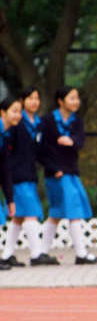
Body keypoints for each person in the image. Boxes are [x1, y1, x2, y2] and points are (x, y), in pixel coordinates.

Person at [37, 86, 97, 265]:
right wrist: (52, 168)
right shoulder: (47, 121)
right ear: (61, 101)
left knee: (56, 214)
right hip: (56, 174)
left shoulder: (77, 121)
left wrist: (72, 141)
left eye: (77, 98)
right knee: (72, 212)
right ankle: (81, 254)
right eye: (72, 98)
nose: (76, 102)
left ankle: (41, 253)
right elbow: (40, 150)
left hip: (71, 171)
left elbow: (80, 141)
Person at [2, 87, 58, 267]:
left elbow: (39, 152)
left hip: (29, 174)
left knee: (18, 216)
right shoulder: (15, 125)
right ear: (22, 101)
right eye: (30, 98)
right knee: (32, 213)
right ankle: (36, 254)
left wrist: (52, 166)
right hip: (17, 175)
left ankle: (7, 255)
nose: (34, 102)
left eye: (37, 98)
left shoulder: (38, 124)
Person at [0, 97, 19, 270]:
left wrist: (10, 199)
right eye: (14, 110)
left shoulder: (5, 135)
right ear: (2, 112)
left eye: (19, 111)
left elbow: (5, 169)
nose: (18, 115)